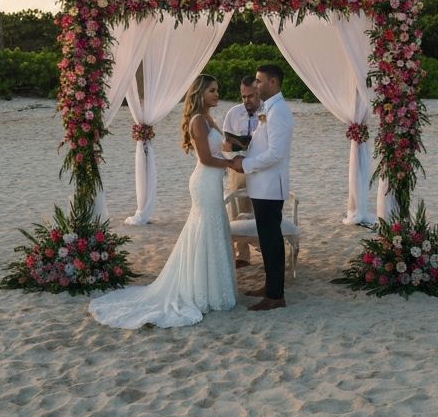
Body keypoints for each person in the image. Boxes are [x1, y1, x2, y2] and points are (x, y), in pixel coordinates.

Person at [89, 74, 237, 329]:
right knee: (205, 229)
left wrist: (235, 145)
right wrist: (231, 163)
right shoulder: (198, 121)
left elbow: (218, 147)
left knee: (212, 228)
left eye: (217, 89)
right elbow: (205, 158)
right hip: (204, 181)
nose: (217, 94)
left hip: (213, 181)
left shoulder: (209, 118)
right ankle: (200, 290)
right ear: (200, 93)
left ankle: (212, 288)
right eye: (212, 90)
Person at [228, 63, 294, 311]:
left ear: (273, 83)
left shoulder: (280, 113)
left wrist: (246, 164)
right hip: (261, 186)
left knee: (271, 241)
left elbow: (276, 153)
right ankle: (269, 287)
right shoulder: (270, 109)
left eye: (259, 81)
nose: (255, 85)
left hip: (269, 188)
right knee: (267, 240)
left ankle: (276, 296)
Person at [222, 76, 261, 267]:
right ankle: (242, 255)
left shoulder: (267, 112)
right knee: (238, 207)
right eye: (243, 96)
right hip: (238, 167)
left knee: (258, 208)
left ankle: (263, 247)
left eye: (250, 96)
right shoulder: (233, 113)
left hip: (260, 167)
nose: (246, 101)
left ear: (258, 92)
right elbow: (226, 144)